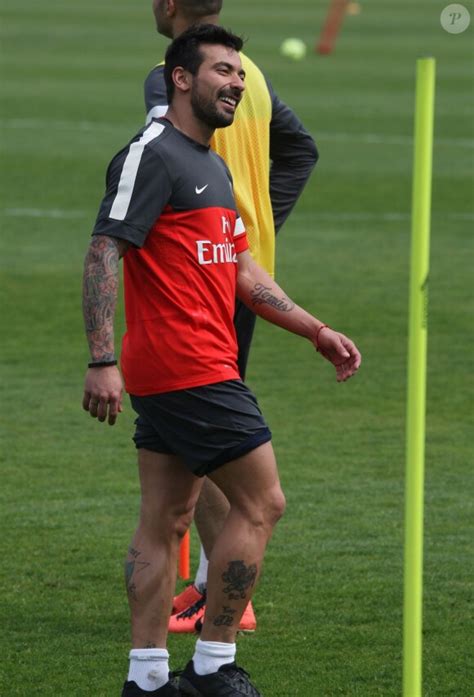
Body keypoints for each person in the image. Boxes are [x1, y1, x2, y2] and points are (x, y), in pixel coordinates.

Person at [82, 24, 361, 697]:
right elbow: (103, 249)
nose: (237, 83)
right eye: (222, 72)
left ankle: (146, 679)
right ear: (181, 77)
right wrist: (100, 359)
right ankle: (213, 665)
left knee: (166, 518)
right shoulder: (151, 155)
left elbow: (240, 267)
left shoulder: (212, 163)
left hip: (200, 363)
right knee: (262, 500)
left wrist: (312, 328)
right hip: (188, 366)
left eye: (240, 74)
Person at [144, 0, 319, 634]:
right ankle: (208, 585)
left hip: (203, 279)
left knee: (210, 434)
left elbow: (164, 167)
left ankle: (226, 591)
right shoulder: (252, 74)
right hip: (241, 270)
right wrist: (258, 222)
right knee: (198, 431)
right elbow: (302, 149)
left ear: (166, 6)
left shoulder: (172, 76)